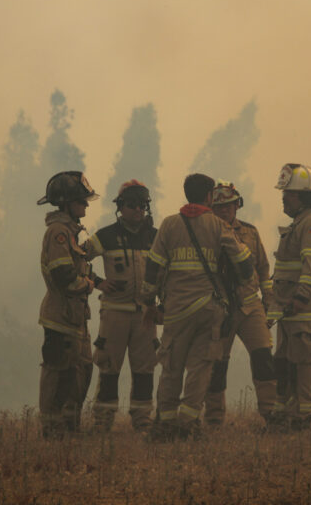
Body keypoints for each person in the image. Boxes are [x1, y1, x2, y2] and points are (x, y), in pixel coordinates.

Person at [141, 173, 254, 440]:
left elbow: (153, 266)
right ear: (208, 197)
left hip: (176, 309)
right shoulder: (218, 226)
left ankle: (164, 424)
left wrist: (149, 300)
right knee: (200, 367)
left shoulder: (169, 225)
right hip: (208, 308)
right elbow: (245, 265)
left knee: (171, 366)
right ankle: (188, 424)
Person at [83, 180, 159, 432]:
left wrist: (164, 306)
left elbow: (169, 272)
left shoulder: (157, 237)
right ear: (120, 207)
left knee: (145, 369)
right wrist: (97, 282)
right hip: (114, 312)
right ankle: (102, 421)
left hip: (146, 315)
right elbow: (77, 257)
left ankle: (142, 419)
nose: (138, 210)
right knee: (108, 367)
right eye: (132, 205)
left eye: (142, 205)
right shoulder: (105, 236)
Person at [204, 180, 277, 427]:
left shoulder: (251, 233)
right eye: (219, 206)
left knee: (263, 357)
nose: (225, 210)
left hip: (249, 306)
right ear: (211, 207)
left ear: (237, 205)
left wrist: (269, 302)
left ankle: (271, 413)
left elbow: (263, 270)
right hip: (220, 309)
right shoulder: (205, 234)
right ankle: (214, 418)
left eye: (229, 205)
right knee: (216, 365)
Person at [265, 163, 311, 431]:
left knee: (302, 365)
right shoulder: (298, 224)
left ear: (303, 197)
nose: (283, 199)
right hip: (287, 311)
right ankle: (282, 417)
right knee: (283, 364)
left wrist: (300, 299)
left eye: (288, 194)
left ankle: (302, 419)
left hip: (302, 311)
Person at [37, 171, 98, 438]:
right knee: (60, 373)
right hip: (60, 317)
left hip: (75, 318)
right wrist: (89, 285)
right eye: (81, 201)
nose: (86, 205)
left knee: (81, 371)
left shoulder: (70, 232)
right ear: (66, 203)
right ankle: (52, 430)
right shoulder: (58, 233)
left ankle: (70, 428)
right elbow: (64, 276)